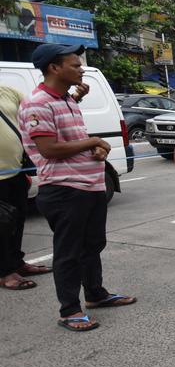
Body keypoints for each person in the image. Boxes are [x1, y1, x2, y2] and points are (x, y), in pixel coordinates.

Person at [18, 43, 137, 332]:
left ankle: (95, 294)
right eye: (74, 64)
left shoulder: (66, 100)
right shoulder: (37, 104)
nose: (81, 68)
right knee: (69, 251)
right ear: (53, 68)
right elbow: (48, 148)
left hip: (89, 185)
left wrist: (94, 151)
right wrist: (94, 142)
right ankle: (69, 309)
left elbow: (70, 139)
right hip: (64, 189)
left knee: (92, 245)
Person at [0, 85, 52, 290]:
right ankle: (4, 272)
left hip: (15, 171)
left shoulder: (7, 91)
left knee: (17, 220)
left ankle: (17, 263)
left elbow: (34, 108)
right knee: (1, 224)